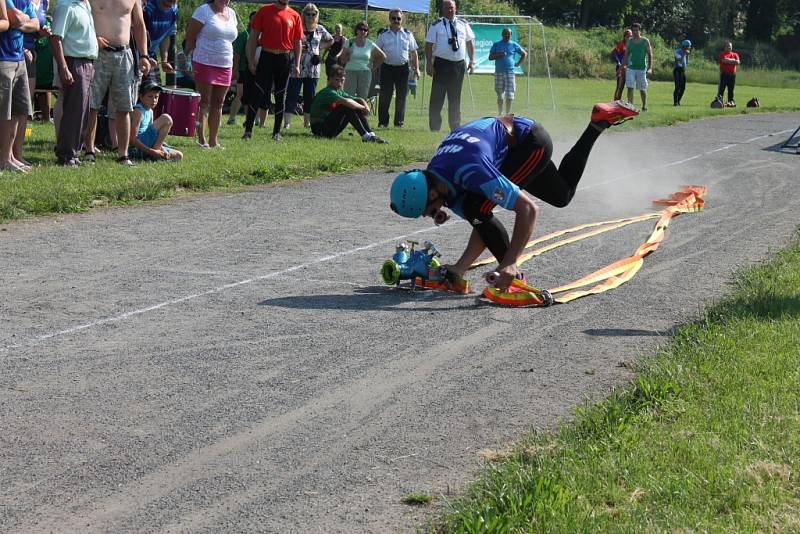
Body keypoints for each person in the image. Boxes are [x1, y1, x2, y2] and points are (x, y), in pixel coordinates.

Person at [388, 101, 639, 291]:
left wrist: (510, 262)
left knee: (477, 207)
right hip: (507, 143)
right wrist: (459, 268)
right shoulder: (436, 173)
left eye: (428, 210)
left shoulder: (471, 170)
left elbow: (527, 210)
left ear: (433, 192)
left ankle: (512, 275)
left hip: (529, 142)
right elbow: (481, 224)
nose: (431, 215)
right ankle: (597, 123)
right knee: (562, 195)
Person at [82, 0, 151, 166]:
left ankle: (123, 153)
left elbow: (139, 24)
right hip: (97, 53)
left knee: (124, 107)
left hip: (124, 54)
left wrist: (144, 55)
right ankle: (89, 150)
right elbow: (82, 18)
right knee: (92, 105)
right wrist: (92, 37)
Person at [244, 0, 303, 141]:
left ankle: (276, 132)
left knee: (280, 95)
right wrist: (251, 59)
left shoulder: (295, 15)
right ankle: (248, 131)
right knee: (257, 92)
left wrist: (297, 64)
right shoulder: (264, 10)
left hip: (284, 57)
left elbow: (297, 42)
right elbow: (253, 37)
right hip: (266, 56)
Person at [49, 0, 97, 166]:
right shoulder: (65, 6)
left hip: (87, 62)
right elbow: (55, 38)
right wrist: (63, 68)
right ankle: (66, 154)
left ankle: (73, 152)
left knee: (83, 112)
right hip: (74, 62)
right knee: (74, 111)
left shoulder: (85, 5)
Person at [185, 0, 238, 149]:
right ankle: (202, 140)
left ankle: (214, 140)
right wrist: (187, 60)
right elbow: (190, 37)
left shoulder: (232, 13)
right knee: (204, 102)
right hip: (204, 61)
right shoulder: (203, 11)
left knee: (219, 103)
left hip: (225, 63)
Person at [424, 0, 474, 131]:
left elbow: (470, 42)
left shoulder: (463, 24)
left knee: (455, 97)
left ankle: (455, 127)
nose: (449, 10)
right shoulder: (436, 25)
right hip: (441, 64)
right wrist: (429, 64)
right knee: (437, 97)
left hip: (458, 65)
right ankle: (435, 127)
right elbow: (428, 45)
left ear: (455, 8)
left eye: (451, 7)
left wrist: (471, 60)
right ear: (442, 9)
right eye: (446, 8)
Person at [1, 0, 38, 172]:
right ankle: (4, 157)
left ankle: (10, 156)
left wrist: (20, 21)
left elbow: (36, 24)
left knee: (17, 111)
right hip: (3, 58)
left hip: (19, 58)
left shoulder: (25, 0)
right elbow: (12, 19)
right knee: (4, 113)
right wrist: (22, 20)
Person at [308, 64, 386, 143]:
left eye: (342, 80)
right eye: (337, 80)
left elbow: (359, 99)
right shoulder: (328, 92)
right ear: (330, 79)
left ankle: (371, 135)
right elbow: (347, 102)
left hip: (329, 129)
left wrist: (365, 106)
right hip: (320, 130)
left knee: (353, 106)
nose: (339, 83)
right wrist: (363, 108)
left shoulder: (339, 92)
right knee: (347, 106)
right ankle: (365, 136)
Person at [283, 3, 331, 129]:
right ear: (303, 14)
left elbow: (331, 40)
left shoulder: (320, 29)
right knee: (292, 95)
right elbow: (287, 41)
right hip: (297, 66)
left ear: (317, 15)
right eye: (308, 14)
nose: (310, 16)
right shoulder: (297, 27)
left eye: (313, 14)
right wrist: (297, 48)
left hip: (313, 69)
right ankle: (287, 123)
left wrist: (319, 48)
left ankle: (307, 122)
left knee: (310, 96)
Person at [375, 9, 418, 128]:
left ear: (402, 19)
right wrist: (374, 67)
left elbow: (414, 53)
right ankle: (383, 122)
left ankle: (399, 123)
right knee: (385, 96)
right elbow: (376, 52)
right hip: (387, 68)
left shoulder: (408, 34)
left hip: (403, 69)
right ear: (389, 19)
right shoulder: (383, 34)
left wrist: (417, 68)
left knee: (401, 97)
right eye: (393, 18)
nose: (396, 21)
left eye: (398, 18)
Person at [128, 80, 183, 161]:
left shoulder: (150, 111)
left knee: (179, 155)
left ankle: (155, 155)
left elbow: (152, 134)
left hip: (149, 146)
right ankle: (154, 154)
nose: (153, 100)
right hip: (137, 149)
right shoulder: (138, 111)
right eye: (150, 96)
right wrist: (152, 151)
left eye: (156, 97)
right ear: (141, 97)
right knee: (166, 118)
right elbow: (132, 139)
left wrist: (162, 147)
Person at [338, 21, 384, 100]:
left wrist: (374, 68)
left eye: (365, 30)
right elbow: (342, 60)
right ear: (356, 30)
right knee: (348, 97)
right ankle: (348, 112)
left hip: (365, 73)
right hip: (350, 71)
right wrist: (347, 53)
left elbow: (383, 56)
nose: (363, 31)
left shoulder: (370, 44)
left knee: (362, 98)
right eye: (360, 29)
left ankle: (361, 112)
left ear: (367, 32)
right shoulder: (349, 42)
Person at [488, 27, 526, 116]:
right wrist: (499, 54)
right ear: (502, 35)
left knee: (510, 94)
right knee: (500, 94)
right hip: (499, 72)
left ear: (511, 35)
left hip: (510, 72)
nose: (507, 35)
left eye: (508, 34)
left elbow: (524, 54)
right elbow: (490, 57)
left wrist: (519, 63)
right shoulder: (496, 44)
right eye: (505, 34)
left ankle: (508, 113)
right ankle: (500, 112)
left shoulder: (514, 45)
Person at [227, 10, 255, 125]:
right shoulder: (244, 35)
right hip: (243, 70)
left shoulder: (263, 35)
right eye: (253, 19)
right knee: (241, 94)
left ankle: (251, 120)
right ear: (250, 20)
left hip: (256, 70)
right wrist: (236, 70)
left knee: (253, 95)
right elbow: (236, 55)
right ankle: (231, 118)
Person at [143, 0, 177, 87]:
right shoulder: (148, 8)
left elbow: (166, 36)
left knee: (155, 90)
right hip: (137, 55)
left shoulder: (174, 11)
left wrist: (164, 61)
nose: (172, 2)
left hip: (152, 55)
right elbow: (137, 33)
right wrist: (144, 56)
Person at [620, 22, 652, 111]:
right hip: (631, 68)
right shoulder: (629, 41)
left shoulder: (645, 41)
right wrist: (621, 67)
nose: (635, 32)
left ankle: (644, 106)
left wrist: (650, 68)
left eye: (636, 30)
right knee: (630, 87)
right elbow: (626, 55)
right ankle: (630, 107)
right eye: (633, 30)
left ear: (640, 31)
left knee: (642, 89)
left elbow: (650, 55)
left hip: (641, 69)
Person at [717, 41, 740, 107]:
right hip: (724, 74)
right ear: (725, 47)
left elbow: (738, 62)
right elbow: (724, 60)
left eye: (730, 46)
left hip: (732, 75)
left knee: (731, 89)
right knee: (721, 89)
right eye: (727, 46)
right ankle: (719, 101)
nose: (729, 47)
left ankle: (730, 101)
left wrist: (729, 60)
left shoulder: (735, 54)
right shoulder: (722, 54)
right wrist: (733, 61)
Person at [611, 28, 631, 101]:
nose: (629, 38)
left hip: (629, 68)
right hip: (621, 67)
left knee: (629, 86)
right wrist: (618, 62)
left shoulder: (632, 44)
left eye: (630, 36)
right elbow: (614, 52)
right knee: (620, 85)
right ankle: (616, 101)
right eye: (628, 36)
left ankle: (627, 102)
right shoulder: (621, 44)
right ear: (624, 36)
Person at [673, 38, 691, 106]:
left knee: (683, 88)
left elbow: (686, 63)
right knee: (677, 87)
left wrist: (687, 55)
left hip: (683, 71)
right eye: (689, 46)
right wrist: (684, 53)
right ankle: (675, 102)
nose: (689, 48)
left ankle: (678, 101)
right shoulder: (677, 51)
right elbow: (679, 60)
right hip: (677, 70)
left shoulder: (686, 53)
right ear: (685, 46)